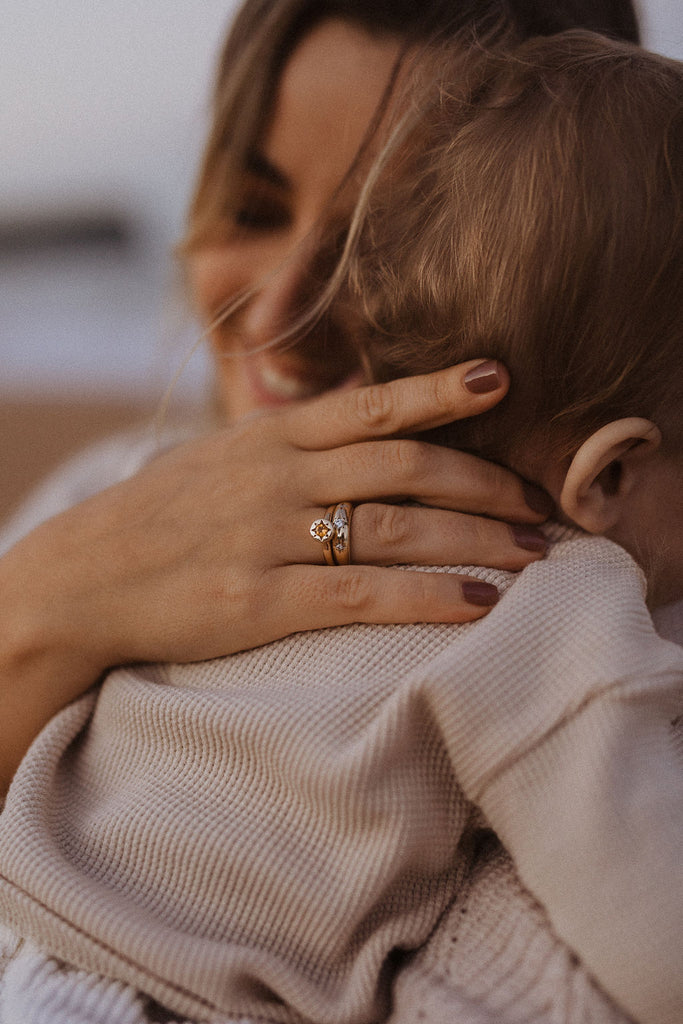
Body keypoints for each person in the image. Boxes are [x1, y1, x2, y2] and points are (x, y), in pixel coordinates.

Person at [0, 21, 680, 1024]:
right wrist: (41, 600)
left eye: (387, 243)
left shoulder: (603, 611)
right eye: (254, 206)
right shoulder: (114, 491)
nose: (279, 313)